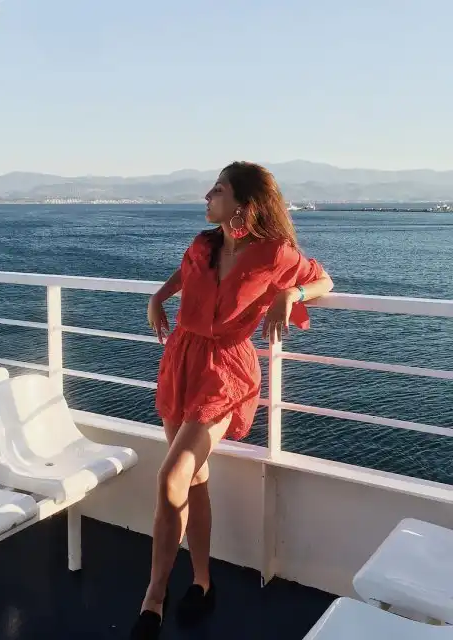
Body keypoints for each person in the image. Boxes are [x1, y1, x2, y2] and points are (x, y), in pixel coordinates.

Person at [129, 161, 334, 639]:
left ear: (244, 204)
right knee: (195, 478)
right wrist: (158, 296)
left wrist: (290, 293)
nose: (207, 195)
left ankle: (153, 597)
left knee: (171, 477)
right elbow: (184, 275)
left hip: (224, 372)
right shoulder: (204, 244)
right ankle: (202, 581)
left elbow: (324, 280)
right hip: (181, 361)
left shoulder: (275, 253)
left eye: (217, 190)